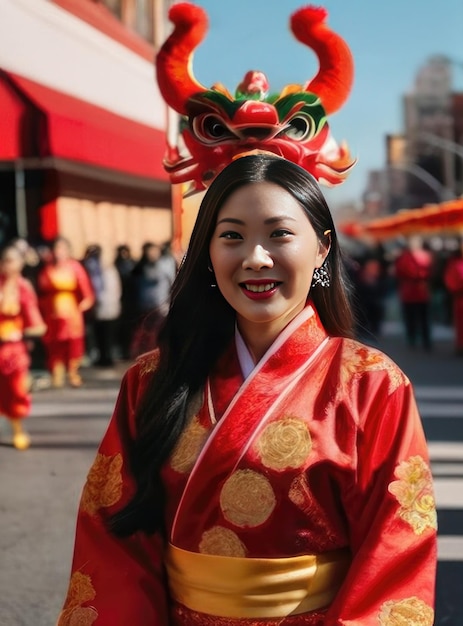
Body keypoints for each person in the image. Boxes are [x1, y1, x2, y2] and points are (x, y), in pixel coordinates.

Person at [58, 155, 437, 625]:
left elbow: (396, 549)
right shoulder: (151, 381)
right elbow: (113, 542)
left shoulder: (372, 385)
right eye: (232, 236)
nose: (256, 257)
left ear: (322, 249)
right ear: (208, 254)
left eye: (279, 234)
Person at [0, 243, 46, 449]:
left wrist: (23, 333)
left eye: (12, 260)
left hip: (13, 348)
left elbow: (34, 322)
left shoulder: (22, 288)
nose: (8, 265)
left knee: (17, 389)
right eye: (5, 260)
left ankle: (18, 429)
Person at [37, 236, 95, 388]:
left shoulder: (75, 267)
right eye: (56, 249)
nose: (58, 252)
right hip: (52, 312)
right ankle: (57, 373)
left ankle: (73, 372)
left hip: (71, 312)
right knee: (54, 343)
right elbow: (41, 289)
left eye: (62, 249)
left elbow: (87, 292)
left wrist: (81, 307)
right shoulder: (47, 268)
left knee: (73, 343)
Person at [394, 235, 433, 351]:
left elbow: (431, 271)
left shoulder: (426, 256)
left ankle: (425, 339)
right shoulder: (404, 257)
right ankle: (412, 337)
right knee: (410, 316)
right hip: (409, 291)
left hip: (421, 290)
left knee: (423, 317)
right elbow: (399, 272)